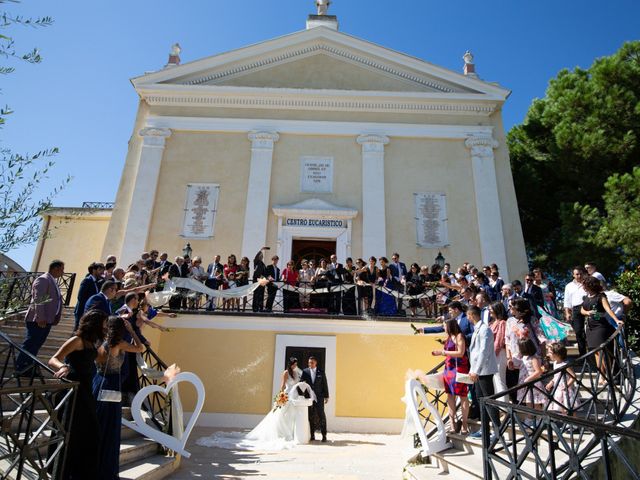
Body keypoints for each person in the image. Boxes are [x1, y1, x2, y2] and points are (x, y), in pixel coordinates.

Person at [196, 357, 314, 450]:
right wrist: (281, 396)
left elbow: (298, 384)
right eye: (294, 363)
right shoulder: (285, 373)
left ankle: (291, 434)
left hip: (293, 397)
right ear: (290, 364)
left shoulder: (296, 373)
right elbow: (283, 385)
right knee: (281, 416)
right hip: (286, 395)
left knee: (290, 416)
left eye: (296, 363)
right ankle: (281, 434)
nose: (295, 365)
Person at [49, 309, 108, 480]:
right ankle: (60, 471)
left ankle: (80, 473)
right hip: (71, 392)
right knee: (70, 433)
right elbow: (54, 358)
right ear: (95, 324)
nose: (106, 327)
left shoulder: (91, 343)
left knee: (89, 433)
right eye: (104, 324)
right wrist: (62, 366)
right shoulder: (77, 340)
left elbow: (100, 359)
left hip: (86, 391)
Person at [93, 316, 145, 480]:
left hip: (98, 381)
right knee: (110, 427)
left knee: (98, 422)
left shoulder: (101, 341)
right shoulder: (119, 343)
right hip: (112, 384)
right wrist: (132, 330)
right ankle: (105, 467)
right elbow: (140, 348)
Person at [15, 260, 65, 375]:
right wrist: (40, 317)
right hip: (38, 320)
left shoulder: (52, 281)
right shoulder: (44, 279)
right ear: (55, 268)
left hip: (47, 320)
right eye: (62, 269)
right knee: (31, 344)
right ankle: (21, 367)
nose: (63, 272)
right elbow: (39, 300)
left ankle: (28, 368)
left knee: (36, 345)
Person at [581, 276, 623, 382]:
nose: (583, 287)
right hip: (590, 327)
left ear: (590, 285)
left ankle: (609, 374)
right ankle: (601, 374)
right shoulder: (586, 297)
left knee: (602, 351)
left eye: (585, 285)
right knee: (595, 352)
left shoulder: (601, 296)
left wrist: (617, 320)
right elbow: (582, 309)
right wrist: (587, 312)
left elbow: (608, 309)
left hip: (600, 326)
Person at [431, 319, 470, 434]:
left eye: (445, 326)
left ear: (450, 326)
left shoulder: (459, 336)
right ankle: (452, 424)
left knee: (463, 396)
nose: (444, 328)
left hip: (460, 369)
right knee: (449, 396)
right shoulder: (449, 337)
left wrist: (442, 352)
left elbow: (460, 353)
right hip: (449, 370)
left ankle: (464, 424)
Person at [467, 306, 499, 440]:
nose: (467, 318)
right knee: (481, 400)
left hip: (484, 370)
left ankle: (497, 431)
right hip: (478, 371)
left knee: (489, 400)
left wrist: (476, 370)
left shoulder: (484, 329)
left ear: (472, 315)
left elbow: (483, 352)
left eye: (468, 315)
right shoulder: (477, 329)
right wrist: (472, 369)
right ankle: (484, 430)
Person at [301, 356, 329, 442]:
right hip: (309, 398)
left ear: (315, 363)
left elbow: (325, 384)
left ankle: (324, 435)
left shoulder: (321, 372)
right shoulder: (305, 371)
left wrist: (326, 396)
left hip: (319, 398)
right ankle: (312, 435)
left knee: (321, 416)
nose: (310, 364)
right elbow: (301, 382)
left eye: (312, 362)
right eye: (309, 362)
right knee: (310, 416)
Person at [516, 338, 545, 418]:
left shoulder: (534, 358)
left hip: (532, 383)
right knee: (528, 402)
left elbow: (538, 371)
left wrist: (528, 379)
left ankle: (540, 419)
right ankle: (530, 419)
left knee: (535, 403)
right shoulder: (524, 357)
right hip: (525, 383)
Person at [546, 342, 578, 414]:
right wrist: (551, 383)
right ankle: (566, 423)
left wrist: (566, 386)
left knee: (569, 407)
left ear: (557, 354)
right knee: (561, 408)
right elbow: (556, 376)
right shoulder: (555, 363)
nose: (548, 355)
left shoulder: (565, 365)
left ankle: (574, 423)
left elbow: (573, 376)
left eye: (550, 353)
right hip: (558, 389)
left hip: (566, 390)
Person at [564, 267, 588, 357]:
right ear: (573, 275)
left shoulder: (587, 283)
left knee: (591, 330)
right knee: (578, 332)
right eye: (577, 274)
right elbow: (567, 301)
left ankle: (594, 351)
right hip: (576, 309)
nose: (579, 276)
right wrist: (567, 313)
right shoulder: (569, 286)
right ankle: (583, 355)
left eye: (581, 274)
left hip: (588, 306)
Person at [73, 262, 103, 331]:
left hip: (90, 312)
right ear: (94, 270)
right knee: (77, 331)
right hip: (82, 311)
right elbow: (80, 297)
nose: (102, 272)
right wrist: (88, 308)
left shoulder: (97, 282)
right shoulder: (87, 280)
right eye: (100, 270)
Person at [489, 302, 508, 400]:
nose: (489, 311)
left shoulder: (502, 323)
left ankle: (504, 405)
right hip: (493, 353)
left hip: (499, 353)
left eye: (491, 309)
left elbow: (499, 341)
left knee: (500, 379)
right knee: (495, 380)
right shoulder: (493, 323)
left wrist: (493, 353)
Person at [252, 247, 268, 312]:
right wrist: (261, 250)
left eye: (262, 256)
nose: (261, 257)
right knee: (256, 294)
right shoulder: (256, 262)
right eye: (260, 256)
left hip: (262, 281)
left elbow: (265, 273)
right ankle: (255, 308)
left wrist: (265, 278)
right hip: (256, 280)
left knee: (261, 295)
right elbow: (255, 257)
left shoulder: (263, 264)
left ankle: (260, 307)